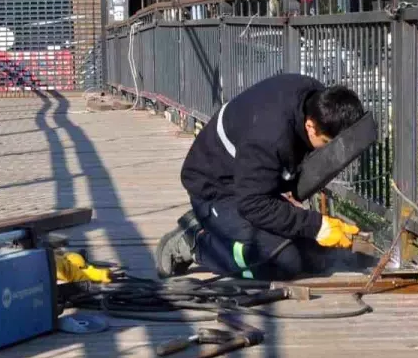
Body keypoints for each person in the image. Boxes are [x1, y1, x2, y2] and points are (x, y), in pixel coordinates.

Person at [156, 74, 366, 281]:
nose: (329, 152)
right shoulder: (270, 136)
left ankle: (215, 224)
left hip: (251, 180)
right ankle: (195, 240)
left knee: (314, 255)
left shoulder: (315, 99)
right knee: (283, 262)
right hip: (216, 188)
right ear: (310, 126)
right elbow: (253, 204)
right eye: (328, 143)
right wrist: (316, 225)